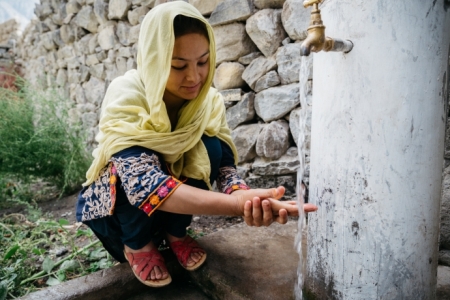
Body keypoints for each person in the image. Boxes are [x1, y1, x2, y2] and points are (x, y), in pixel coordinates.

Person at [75, 1, 317, 288]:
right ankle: (137, 245)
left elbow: (224, 165)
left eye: (203, 62)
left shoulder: (208, 102)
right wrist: (235, 206)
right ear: (154, 59)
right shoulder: (127, 94)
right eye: (178, 66)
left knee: (210, 148)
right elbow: (144, 183)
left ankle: (176, 233)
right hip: (124, 213)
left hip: (170, 207)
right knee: (123, 169)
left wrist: (245, 196)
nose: (194, 78)